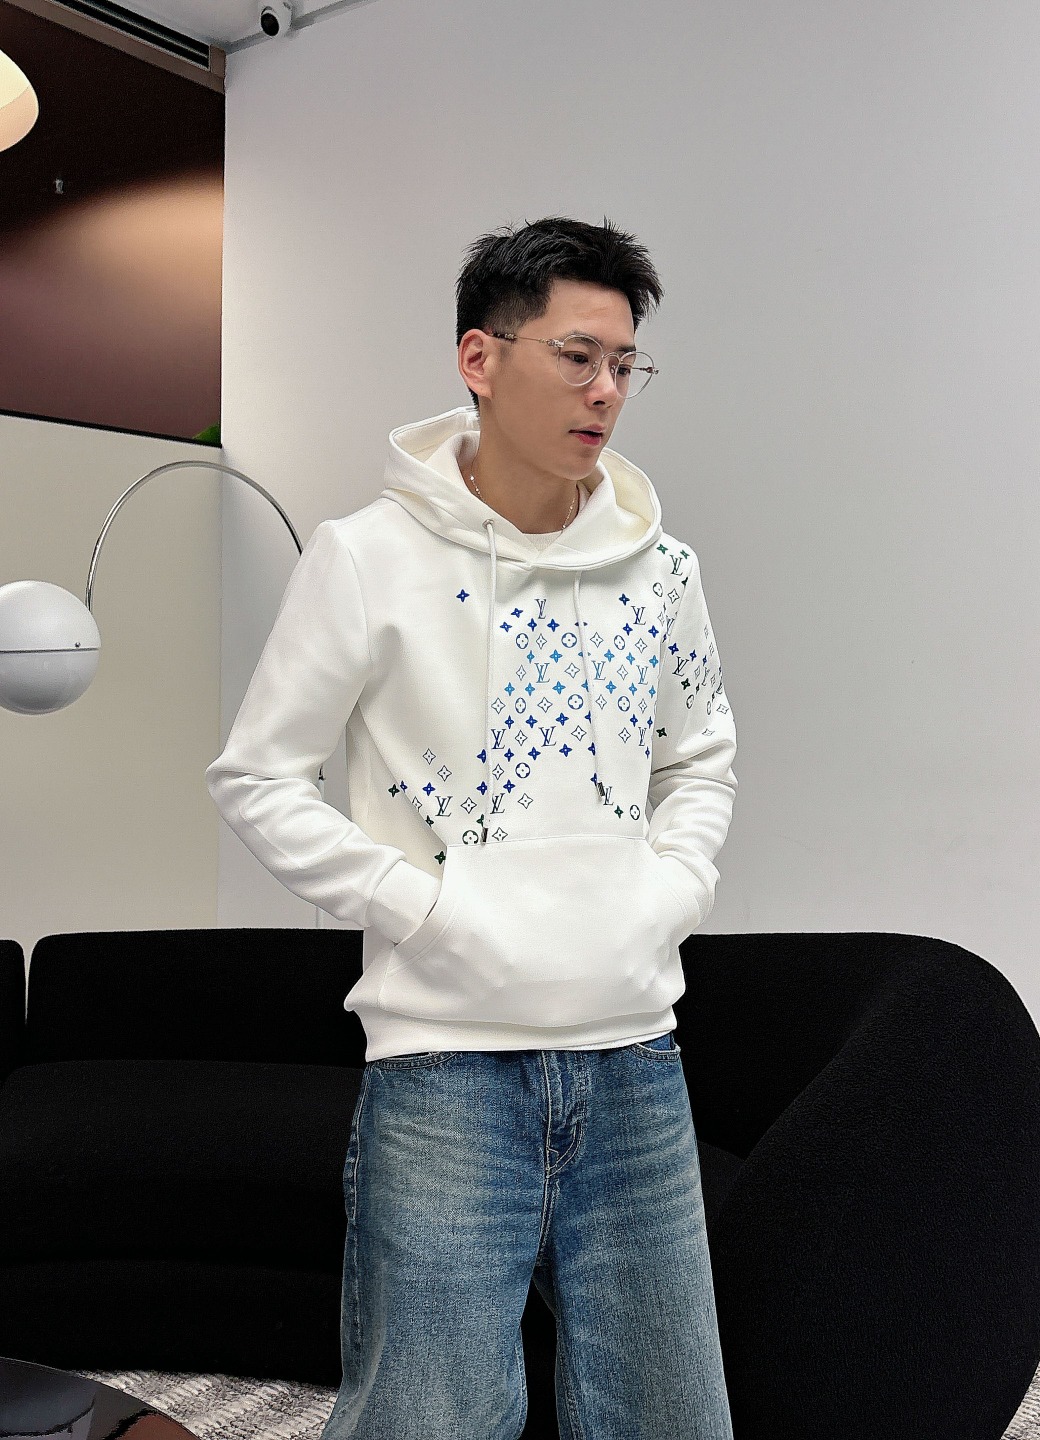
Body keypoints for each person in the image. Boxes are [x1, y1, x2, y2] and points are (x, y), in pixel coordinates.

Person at [205, 214, 738, 1440]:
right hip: (444, 1067)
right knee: (429, 1419)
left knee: (674, 1418)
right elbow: (257, 777)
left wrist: (669, 893)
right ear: (479, 359)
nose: (606, 391)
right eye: (577, 356)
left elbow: (700, 756)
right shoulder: (362, 558)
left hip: (636, 1058)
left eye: (625, 364)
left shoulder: (666, 571)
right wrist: (423, 910)